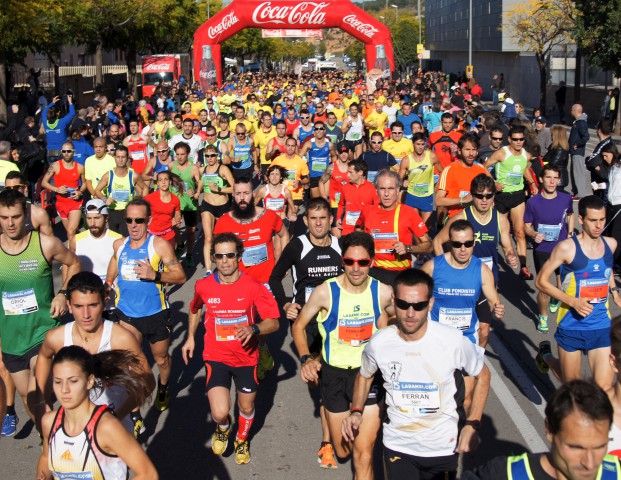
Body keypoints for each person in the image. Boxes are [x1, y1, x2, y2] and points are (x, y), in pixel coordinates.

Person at [342, 268, 490, 480]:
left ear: (430, 303)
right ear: (394, 300)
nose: (410, 313)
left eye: (419, 306)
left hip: (442, 446)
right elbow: (365, 375)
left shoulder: (452, 341)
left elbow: (483, 375)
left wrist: (472, 423)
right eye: (403, 304)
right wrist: (356, 410)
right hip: (398, 444)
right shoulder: (380, 342)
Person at [292, 232, 394, 479]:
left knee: (363, 452)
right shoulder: (325, 292)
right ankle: (332, 426)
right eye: (350, 262)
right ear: (342, 261)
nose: (356, 269)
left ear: (371, 261)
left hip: (368, 375)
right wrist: (306, 358)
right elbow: (298, 326)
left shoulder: (382, 292)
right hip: (334, 374)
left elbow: (400, 317)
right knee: (343, 450)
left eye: (363, 262)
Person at [182, 233, 280, 465]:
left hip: (246, 358)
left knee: (246, 407)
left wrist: (254, 328)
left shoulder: (254, 286)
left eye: (230, 255)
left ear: (239, 257)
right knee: (219, 412)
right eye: (219, 256)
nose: (225, 260)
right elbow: (195, 308)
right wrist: (190, 338)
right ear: (213, 258)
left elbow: (274, 322)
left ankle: (242, 439)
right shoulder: (204, 286)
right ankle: (223, 428)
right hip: (216, 356)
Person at [268, 197, 343, 467]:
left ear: (331, 220)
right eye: (313, 218)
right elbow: (275, 277)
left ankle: (327, 441)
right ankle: (330, 431)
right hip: (307, 322)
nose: (319, 223)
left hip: (336, 321)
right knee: (320, 381)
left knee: (329, 381)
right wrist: (286, 303)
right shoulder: (298, 245)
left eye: (323, 218)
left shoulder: (340, 244)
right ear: (305, 220)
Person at [33, 272, 155, 432]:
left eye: (93, 305)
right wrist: (43, 400)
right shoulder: (57, 338)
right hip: (73, 430)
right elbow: (44, 356)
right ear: (69, 305)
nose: (86, 315)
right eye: (79, 306)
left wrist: (117, 416)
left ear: (104, 303)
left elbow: (148, 381)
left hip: (115, 432)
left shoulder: (120, 338)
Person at [0, 189, 80, 427]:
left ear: (25, 213)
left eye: (15, 216)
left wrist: (63, 294)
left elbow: (74, 262)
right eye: (4, 218)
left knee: (37, 390)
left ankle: (54, 443)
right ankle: (46, 433)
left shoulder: (45, 244)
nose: (10, 223)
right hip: (12, 338)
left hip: (42, 333)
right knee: (28, 398)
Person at [106, 198, 186, 428]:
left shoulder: (158, 245)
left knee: (161, 358)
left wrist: (156, 276)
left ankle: (163, 386)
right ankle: (135, 413)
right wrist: (109, 281)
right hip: (127, 314)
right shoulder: (119, 244)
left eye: (139, 220)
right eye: (129, 220)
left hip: (155, 314)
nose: (133, 225)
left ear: (148, 221)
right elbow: (114, 261)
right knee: (129, 364)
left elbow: (180, 275)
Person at [535, 196, 620, 391]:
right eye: (593, 220)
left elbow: (605, 270)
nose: (598, 226)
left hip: (600, 325)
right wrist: (572, 302)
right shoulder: (567, 248)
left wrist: (614, 292)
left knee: (604, 387)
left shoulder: (611, 244)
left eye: (602, 220)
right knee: (571, 386)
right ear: (581, 220)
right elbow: (540, 280)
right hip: (571, 325)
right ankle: (546, 356)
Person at [36, 346, 158, 480]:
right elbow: (46, 458)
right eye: (58, 382)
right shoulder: (49, 422)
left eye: (73, 381)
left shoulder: (107, 427)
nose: (64, 389)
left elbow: (148, 474)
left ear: (89, 381)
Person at [463, 380, 620, 480]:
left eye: (600, 447)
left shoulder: (616, 473)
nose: (590, 463)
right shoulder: (504, 475)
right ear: (549, 431)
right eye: (576, 447)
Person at [214, 176, 290, 380]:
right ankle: (253, 356)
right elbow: (217, 251)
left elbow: (283, 235)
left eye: (246, 193)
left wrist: (282, 263)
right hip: (237, 283)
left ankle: (261, 350)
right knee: (243, 324)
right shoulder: (223, 222)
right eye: (238, 194)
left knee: (260, 323)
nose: (242, 198)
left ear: (253, 194)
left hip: (264, 282)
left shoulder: (269, 216)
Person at [433, 174, 518, 347]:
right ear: (472, 196)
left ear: (494, 196)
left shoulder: (500, 219)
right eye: (479, 196)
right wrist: (444, 269)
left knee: (484, 332)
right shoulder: (461, 218)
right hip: (461, 283)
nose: (484, 200)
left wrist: (511, 256)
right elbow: (437, 242)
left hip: (486, 282)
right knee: (456, 329)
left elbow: (507, 246)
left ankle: (476, 366)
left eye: (488, 196)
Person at [422, 219, 504, 347]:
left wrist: (497, 312)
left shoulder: (482, 270)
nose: (463, 249)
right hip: (436, 339)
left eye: (468, 243)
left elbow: (494, 303)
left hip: (466, 340)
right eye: (457, 244)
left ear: (474, 243)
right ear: (449, 244)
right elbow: (416, 300)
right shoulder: (432, 267)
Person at [356, 169, 432, 284]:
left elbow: (429, 246)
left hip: (399, 273)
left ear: (397, 191)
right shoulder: (367, 211)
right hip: (372, 270)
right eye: (382, 189)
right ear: (376, 191)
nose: (386, 194)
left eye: (391, 189)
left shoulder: (409, 212)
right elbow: (358, 231)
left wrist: (408, 248)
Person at [524, 164, 574, 333]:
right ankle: (543, 316)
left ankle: (556, 297)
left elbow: (570, 214)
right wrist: (533, 234)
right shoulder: (533, 202)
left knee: (563, 286)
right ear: (541, 179)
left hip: (562, 248)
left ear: (559, 180)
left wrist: (570, 233)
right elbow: (526, 225)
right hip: (542, 249)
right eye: (548, 177)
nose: (552, 181)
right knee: (544, 287)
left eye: (555, 178)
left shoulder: (565, 199)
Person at [484, 125, 538, 280]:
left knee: (520, 232)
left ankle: (523, 267)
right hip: (501, 196)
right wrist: (493, 182)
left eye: (521, 139)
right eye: (515, 139)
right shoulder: (502, 153)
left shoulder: (525, 155)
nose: (519, 142)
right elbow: (485, 167)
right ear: (509, 139)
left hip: (517, 195)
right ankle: (503, 256)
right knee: (501, 232)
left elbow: (524, 169)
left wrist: (532, 183)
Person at [94, 145, 148, 237]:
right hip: (113, 211)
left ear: (127, 158)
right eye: (118, 157)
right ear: (114, 158)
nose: (120, 160)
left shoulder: (133, 175)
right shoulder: (109, 175)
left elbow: (145, 188)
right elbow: (97, 190)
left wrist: (140, 203)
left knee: (128, 238)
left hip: (128, 212)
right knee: (114, 239)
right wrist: (105, 199)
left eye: (123, 157)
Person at [436, 133, 489, 220]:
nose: (471, 153)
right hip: (456, 220)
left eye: (474, 149)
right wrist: (462, 200)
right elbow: (438, 200)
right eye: (467, 149)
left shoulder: (481, 170)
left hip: (477, 219)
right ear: (459, 151)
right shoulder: (449, 170)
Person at [41, 141, 86, 244]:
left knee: (70, 232)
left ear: (73, 152)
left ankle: (73, 257)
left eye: (69, 151)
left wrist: (79, 192)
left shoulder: (80, 167)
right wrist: (57, 189)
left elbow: (84, 184)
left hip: (75, 203)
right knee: (70, 233)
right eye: (64, 151)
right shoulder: (55, 166)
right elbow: (44, 182)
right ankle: (79, 247)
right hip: (61, 204)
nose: (66, 153)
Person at [199, 144, 234, 273]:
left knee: (223, 238)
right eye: (207, 156)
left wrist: (219, 189)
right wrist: (196, 192)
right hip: (207, 205)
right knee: (208, 238)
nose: (210, 158)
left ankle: (225, 264)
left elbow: (234, 187)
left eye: (212, 155)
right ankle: (208, 270)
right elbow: (200, 185)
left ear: (217, 155)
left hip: (223, 206)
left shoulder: (223, 169)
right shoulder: (202, 170)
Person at [399, 132, 443, 225]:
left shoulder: (431, 156)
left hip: (427, 196)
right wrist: (402, 182)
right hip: (412, 196)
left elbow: (442, 171)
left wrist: (438, 185)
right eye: (418, 144)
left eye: (422, 144)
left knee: (424, 227)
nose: (420, 147)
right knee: (415, 226)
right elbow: (399, 178)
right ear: (413, 144)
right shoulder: (406, 160)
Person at [170, 142, 202, 267]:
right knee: (174, 228)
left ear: (188, 154)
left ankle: (189, 254)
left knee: (190, 232)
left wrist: (196, 191)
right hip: (175, 205)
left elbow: (200, 182)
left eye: (182, 154)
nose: (180, 157)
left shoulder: (193, 168)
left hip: (190, 205)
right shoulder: (172, 166)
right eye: (177, 154)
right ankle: (180, 245)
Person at [299, 120, 336, 199]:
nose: (319, 131)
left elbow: (334, 156)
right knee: (316, 201)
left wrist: (332, 168)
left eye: (321, 128)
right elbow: (299, 157)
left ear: (324, 130)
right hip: (313, 176)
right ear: (314, 131)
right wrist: (304, 170)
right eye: (316, 129)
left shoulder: (329, 145)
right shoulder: (309, 144)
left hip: (325, 175)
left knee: (325, 199)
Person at [144, 171, 182, 248]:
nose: (163, 182)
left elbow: (178, 214)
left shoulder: (175, 199)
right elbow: (139, 210)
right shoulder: (149, 198)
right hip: (152, 235)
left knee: (169, 259)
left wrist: (177, 220)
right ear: (157, 183)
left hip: (168, 235)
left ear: (170, 182)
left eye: (166, 179)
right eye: (160, 180)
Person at [568, 104, 590, 200]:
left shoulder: (581, 122)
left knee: (578, 172)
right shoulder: (578, 122)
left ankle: (580, 193)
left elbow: (586, 136)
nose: (571, 111)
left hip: (578, 152)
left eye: (572, 110)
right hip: (574, 151)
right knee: (574, 172)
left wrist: (578, 144)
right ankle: (575, 191)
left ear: (575, 111)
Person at [543, 125, 570, 192]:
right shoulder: (553, 146)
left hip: (558, 179)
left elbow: (553, 163)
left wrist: (543, 164)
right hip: (553, 176)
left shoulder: (560, 149)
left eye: (552, 134)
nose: (551, 136)